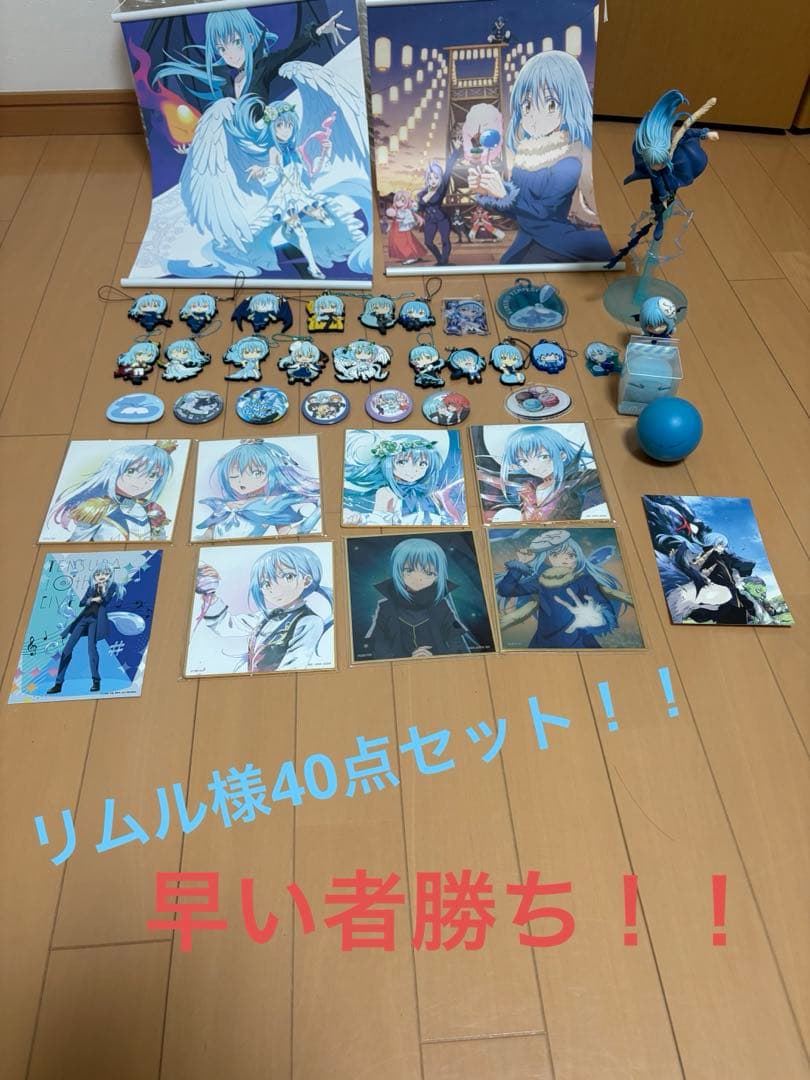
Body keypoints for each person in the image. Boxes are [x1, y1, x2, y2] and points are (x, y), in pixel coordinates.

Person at [470, 51, 612, 264]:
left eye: (551, 104)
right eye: (527, 106)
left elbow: (543, 213)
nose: (534, 117)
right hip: (527, 242)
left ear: (572, 103)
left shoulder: (569, 160)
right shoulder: (526, 156)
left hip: (557, 243)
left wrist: (504, 193)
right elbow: (519, 213)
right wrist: (487, 193)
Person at [194, 546, 332, 673]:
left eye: (287, 576)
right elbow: (226, 626)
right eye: (266, 583)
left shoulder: (309, 622)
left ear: (306, 580)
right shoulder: (265, 617)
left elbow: (294, 666)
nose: (274, 588)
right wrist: (209, 591)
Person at [495, 530, 631, 648]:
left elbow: (604, 607)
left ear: (577, 557)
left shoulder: (584, 580)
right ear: (547, 559)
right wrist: (520, 565)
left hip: (579, 642)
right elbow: (506, 590)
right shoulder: (540, 580)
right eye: (555, 555)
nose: (565, 560)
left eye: (571, 555)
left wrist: (596, 618)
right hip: (543, 644)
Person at [364, 538, 473, 659]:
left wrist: (434, 658)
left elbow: (459, 647)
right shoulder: (386, 608)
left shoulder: (441, 607)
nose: (418, 578)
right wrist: (408, 660)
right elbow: (378, 649)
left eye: (428, 573)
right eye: (409, 570)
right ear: (398, 571)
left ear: (437, 576)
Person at [47, 565, 123, 693]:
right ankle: (58, 684)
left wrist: (101, 592)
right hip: (84, 619)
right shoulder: (92, 587)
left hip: (96, 621)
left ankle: (96, 680)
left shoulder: (112, 586)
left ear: (110, 575)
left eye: (105, 574)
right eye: (98, 574)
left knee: (91, 649)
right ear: (94, 576)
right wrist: (92, 599)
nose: (101, 576)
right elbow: (81, 602)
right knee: (67, 649)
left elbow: (105, 600)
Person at [417, 135, 463, 265]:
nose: (433, 180)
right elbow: (419, 207)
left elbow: (448, 169)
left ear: (440, 178)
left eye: (436, 177)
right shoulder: (423, 193)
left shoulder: (441, 188)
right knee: (428, 242)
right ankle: (440, 260)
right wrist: (426, 197)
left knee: (445, 241)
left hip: (442, 218)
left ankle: (444, 262)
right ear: (427, 178)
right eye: (430, 178)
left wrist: (456, 150)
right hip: (430, 220)